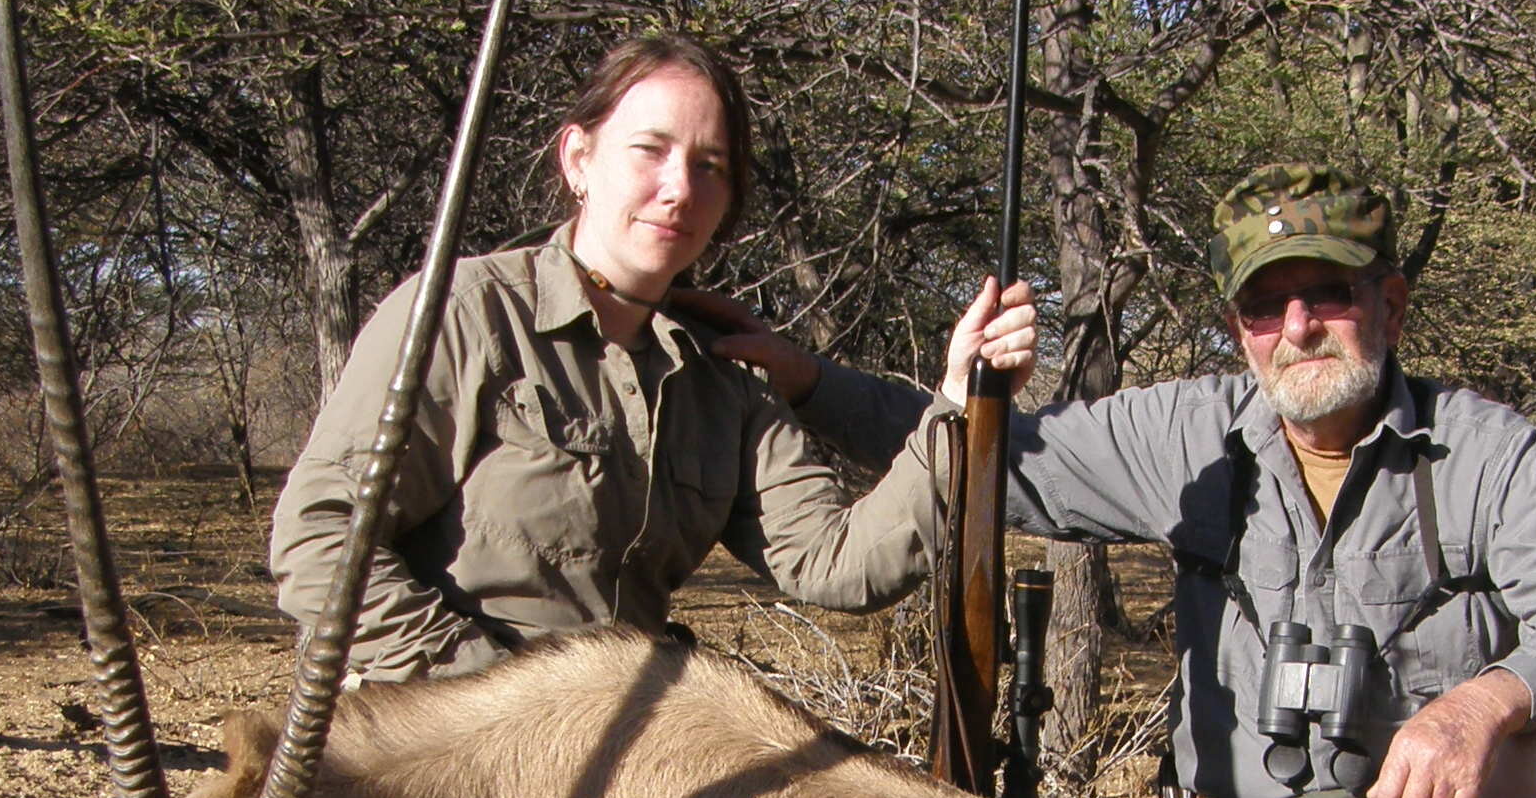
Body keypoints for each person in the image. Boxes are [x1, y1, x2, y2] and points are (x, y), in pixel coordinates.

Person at [723, 163, 1536, 798]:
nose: (1297, 330)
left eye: (1328, 295)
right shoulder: (1183, 431)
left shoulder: (1488, 451)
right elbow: (981, 453)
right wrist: (803, 378)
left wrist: (1482, 703)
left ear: (1391, 306)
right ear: (1237, 328)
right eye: (1265, 306)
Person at [270, 34, 1034, 680]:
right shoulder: (467, 311)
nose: (679, 189)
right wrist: (491, 699)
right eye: (651, 151)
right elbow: (320, 540)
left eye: (710, 166)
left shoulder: (727, 372)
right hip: (441, 746)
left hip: (621, 750)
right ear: (579, 158)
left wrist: (960, 404)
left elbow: (834, 563)